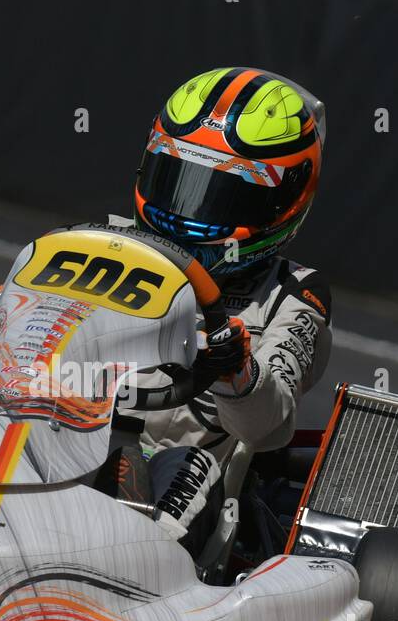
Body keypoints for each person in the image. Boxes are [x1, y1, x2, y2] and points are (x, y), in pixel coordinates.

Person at [121, 67, 334, 551]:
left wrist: (236, 372)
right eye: (179, 181)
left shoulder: (293, 295)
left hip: (172, 482)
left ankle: (138, 561)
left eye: (223, 197)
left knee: (186, 470)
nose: (190, 214)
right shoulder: (94, 244)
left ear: (282, 201)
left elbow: (269, 427)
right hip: (55, 434)